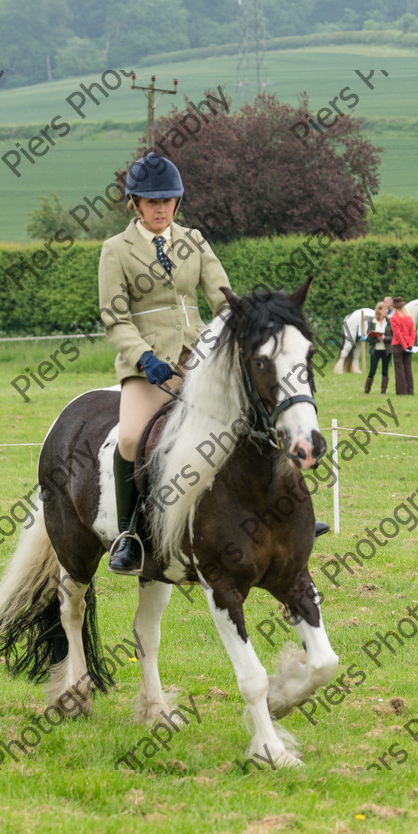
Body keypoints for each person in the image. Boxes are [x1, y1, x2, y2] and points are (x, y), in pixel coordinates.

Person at [99, 153, 329, 574]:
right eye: (152, 202)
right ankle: (131, 533)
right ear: (134, 204)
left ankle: (289, 515)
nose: (161, 208)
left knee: (258, 418)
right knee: (132, 439)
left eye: (168, 201)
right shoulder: (116, 250)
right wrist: (143, 357)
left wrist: (245, 330)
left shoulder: (194, 240)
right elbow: (114, 318)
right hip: (147, 366)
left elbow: (224, 299)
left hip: (199, 360)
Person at [389, 296, 415, 395]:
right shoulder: (409, 317)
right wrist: (410, 344)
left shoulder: (393, 318)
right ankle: (410, 390)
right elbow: (413, 332)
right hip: (409, 344)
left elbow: (397, 334)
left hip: (398, 345)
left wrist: (403, 345)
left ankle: (401, 391)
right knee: (408, 367)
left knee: (399, 369)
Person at [365, 301, 392, 394]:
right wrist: (377, 339)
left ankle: (383, 391)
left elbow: (393, 337)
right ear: (379, 310)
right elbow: (368, 338)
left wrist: (384, 338)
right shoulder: (372, 322)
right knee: (372, 370)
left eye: (387, 309)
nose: (386, 311)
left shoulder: (389, 322)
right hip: (375, 350)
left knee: (385, 370)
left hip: (386, 350)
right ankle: (367, 390)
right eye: (385, 309)